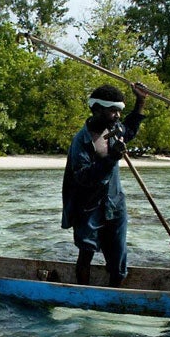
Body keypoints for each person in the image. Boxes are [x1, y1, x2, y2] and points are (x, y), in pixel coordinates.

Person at [61, 83, 146, 287]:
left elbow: (131, 128)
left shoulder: (115, 130)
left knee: (118, 256)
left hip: (115, 203)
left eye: (119, 111)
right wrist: (110, 159)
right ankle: (82, 295)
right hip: (88, 206)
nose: (117, 115)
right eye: (112, 111)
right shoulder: (81, 141)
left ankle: (114, 297)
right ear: (97, 109)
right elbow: (83, 177)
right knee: (86, 253)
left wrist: (141, 100)